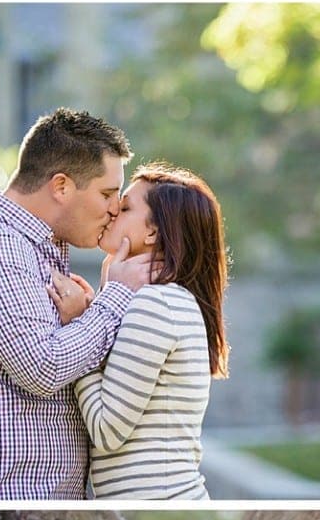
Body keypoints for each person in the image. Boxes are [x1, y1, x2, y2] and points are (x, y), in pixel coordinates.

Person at [0, 108, 157, 501]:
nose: (115, 208)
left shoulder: (33, 249)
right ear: (61, 186)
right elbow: (42, 367)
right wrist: (117, 297)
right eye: (107, 194)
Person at [47, 163, 229, 499]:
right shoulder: (155, 301)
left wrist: (78, 324)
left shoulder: (158, 304)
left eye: (126, 206)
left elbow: (106, 430)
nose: (113, 209)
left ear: (153, 233)